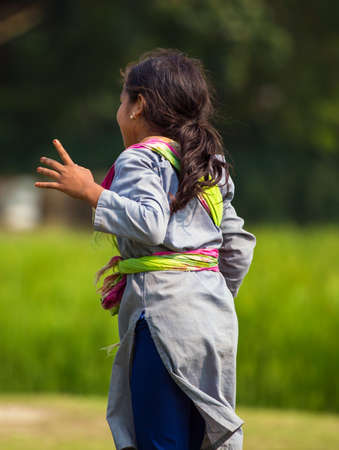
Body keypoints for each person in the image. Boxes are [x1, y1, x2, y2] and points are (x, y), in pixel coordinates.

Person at [35, 48, 256, 450]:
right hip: (215, 320)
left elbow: (150, 224)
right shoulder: (206, 165)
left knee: (160, 440)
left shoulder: (140, 159)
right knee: (199, 437)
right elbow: (238, 246)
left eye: (123, 100)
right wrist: (206, 295)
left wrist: (92, 192)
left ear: (139, 106)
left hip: (163, 318)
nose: (119, 110)